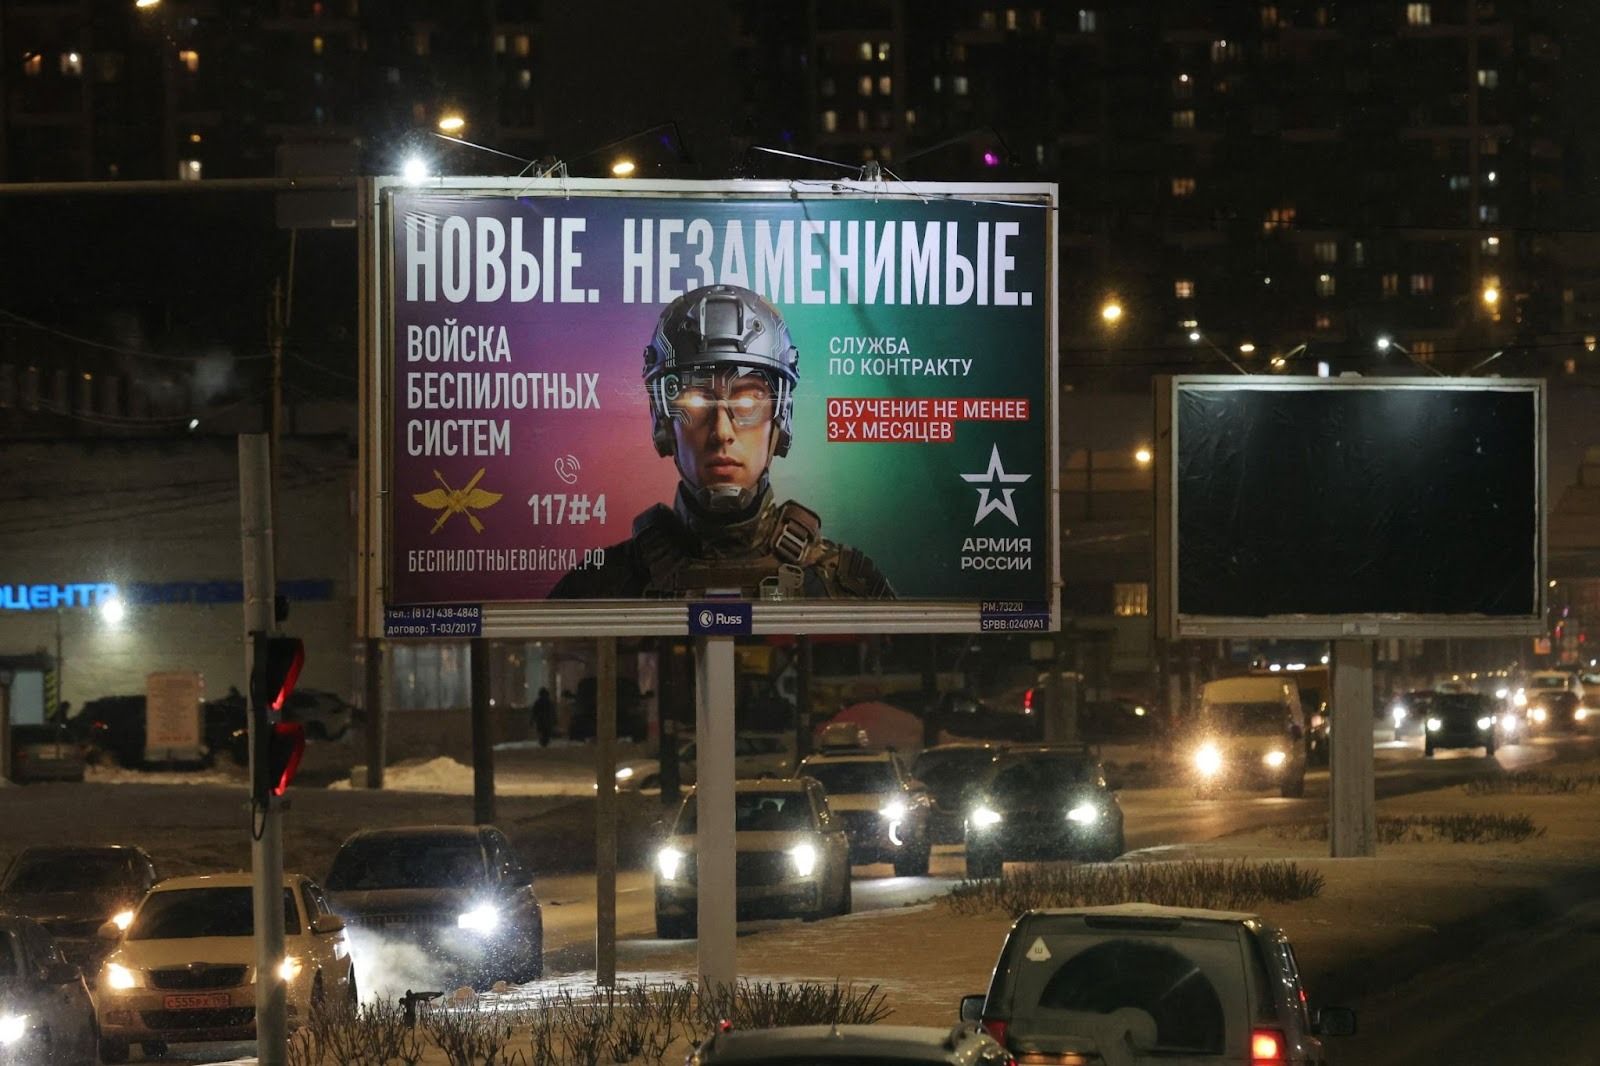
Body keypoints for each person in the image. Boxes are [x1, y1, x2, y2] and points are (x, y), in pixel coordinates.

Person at [551, 283, 894, 599]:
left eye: (747, 400)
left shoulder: (848, 585)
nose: (722, 432)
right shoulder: (597, 588)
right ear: (664, 419)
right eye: (696, 401)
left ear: (780, 415)